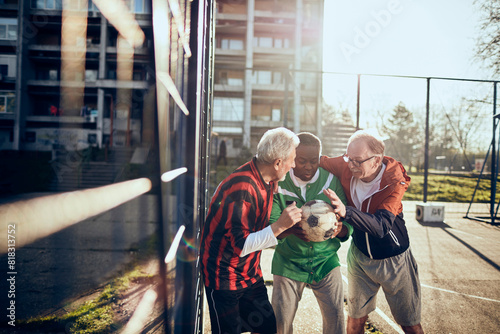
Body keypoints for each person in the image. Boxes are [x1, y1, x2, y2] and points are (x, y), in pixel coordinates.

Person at [320, 130, 424, 334]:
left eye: (358, 161)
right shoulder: (346, 164)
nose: (351, 165)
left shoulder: (394, 182)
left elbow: (381, 226)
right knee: (355, 320)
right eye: (348, 158)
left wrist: (346, 211)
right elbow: (316, 159)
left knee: (409, 323)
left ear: (376, 160)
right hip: (359, 256)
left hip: (393, 259)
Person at [200, 127, 303, 334]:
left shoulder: (266, 178)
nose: (293, 165)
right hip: (223, 276)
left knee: (266, 327)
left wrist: (287, 229)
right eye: (292, 160)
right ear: (277, 163)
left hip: (249, 274)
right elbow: (242, 245)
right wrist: (280, 226)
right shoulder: (243, 188)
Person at [269, 132, 353, 334]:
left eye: (313, 161)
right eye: (301, 161)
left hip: (325, 259)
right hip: (288, 260)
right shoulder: (278, 182)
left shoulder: (331, 181)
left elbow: (346, 219)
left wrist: (341, 230)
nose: (308, 166)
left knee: (336, 320)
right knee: (280, 324)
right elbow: (272, 222)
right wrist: (289, 229)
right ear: (291, 158)